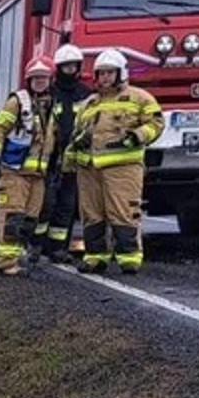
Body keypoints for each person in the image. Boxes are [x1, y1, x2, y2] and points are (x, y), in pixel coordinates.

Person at [70, 48, 163, 275]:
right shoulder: (89, 103)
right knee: (92, 214)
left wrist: (137, 136)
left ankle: (129, 258)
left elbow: (156, 124)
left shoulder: (139, 98)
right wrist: (76, 147)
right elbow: (77, 133)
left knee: (123, 211)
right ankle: (95, 257)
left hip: (122, 167)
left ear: (121, 73)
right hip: (89, 169)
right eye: (101, 73)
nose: (105, 78)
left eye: (110, 73)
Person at [0, 57, 57, 275]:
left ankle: (15, 257)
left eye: (43, 78)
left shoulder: (53, 104)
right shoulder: (18, 102)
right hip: (14, 171)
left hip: (37, 174)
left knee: (29, 219)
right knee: (11, 216)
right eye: (35, 78)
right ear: (28, 80)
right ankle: (5, 262)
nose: (39, 82)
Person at [36, 44, 92, 264]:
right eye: (65, 66)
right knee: (45, 204)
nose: (69, 70)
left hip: (74, 158)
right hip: (49, 158)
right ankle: (36, 245)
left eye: (73, 66)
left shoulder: (86, 94)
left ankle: (58, 248)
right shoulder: (49, 93)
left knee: (67, 206)